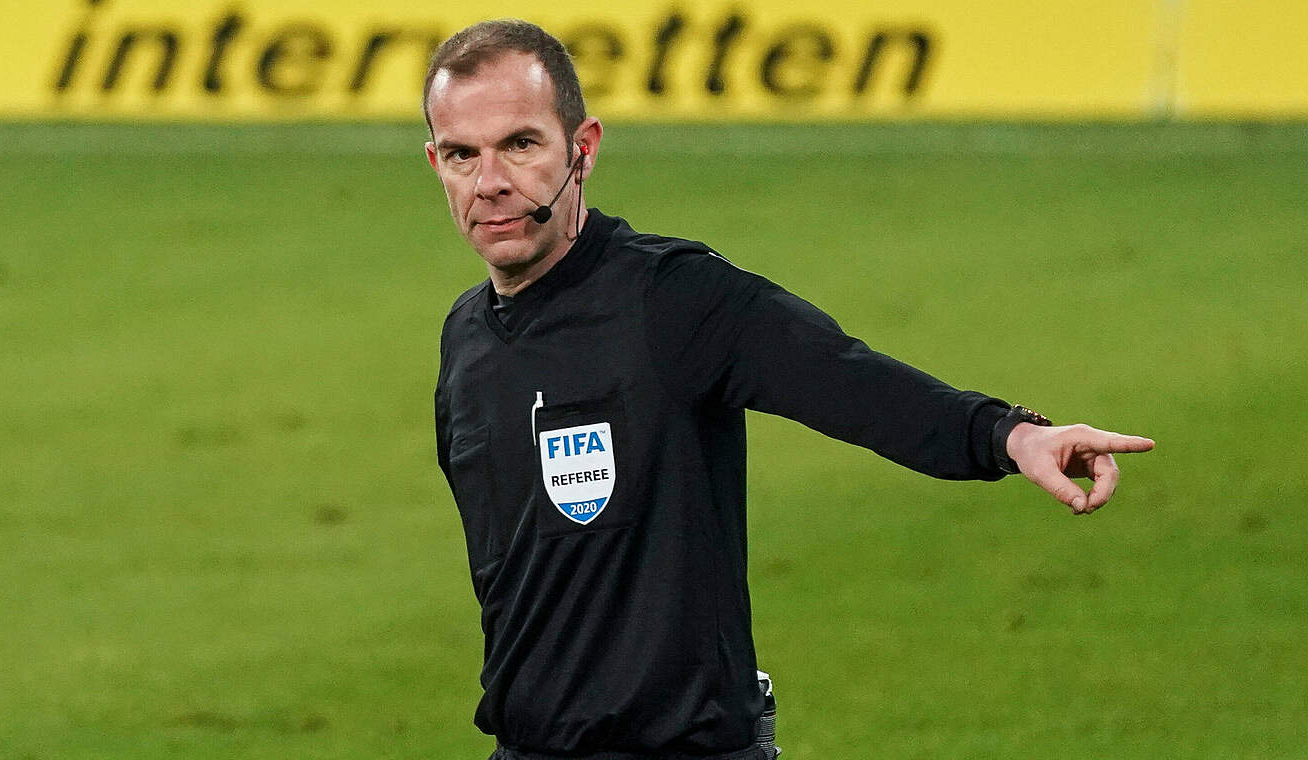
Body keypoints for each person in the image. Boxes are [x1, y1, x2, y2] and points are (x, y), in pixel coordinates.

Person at [426, 19, 1154, 760]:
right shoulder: (466, 342)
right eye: (462, 155)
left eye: (521, 144)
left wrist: (1009, 434)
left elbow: (847, 378)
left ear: (583, 149)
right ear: (436, 164)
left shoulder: (672, 298)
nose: (491, 182)